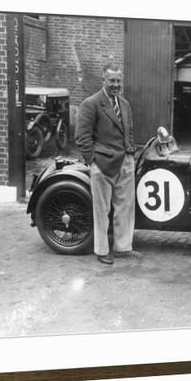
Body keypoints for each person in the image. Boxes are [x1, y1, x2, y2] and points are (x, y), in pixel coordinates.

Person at [74, 64, 143, 265]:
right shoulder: (92, 103)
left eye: (118, 81)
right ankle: (102, 250)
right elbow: (82, 136)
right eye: (111, 80)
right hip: (103, 165)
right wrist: (92, 162)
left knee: (125, 207)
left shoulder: (125, 104)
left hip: (125, 162)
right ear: (103, 80)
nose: (115, 84)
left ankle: (122, 247)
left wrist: (129, 150)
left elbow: (129, 129)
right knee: (102, 209)